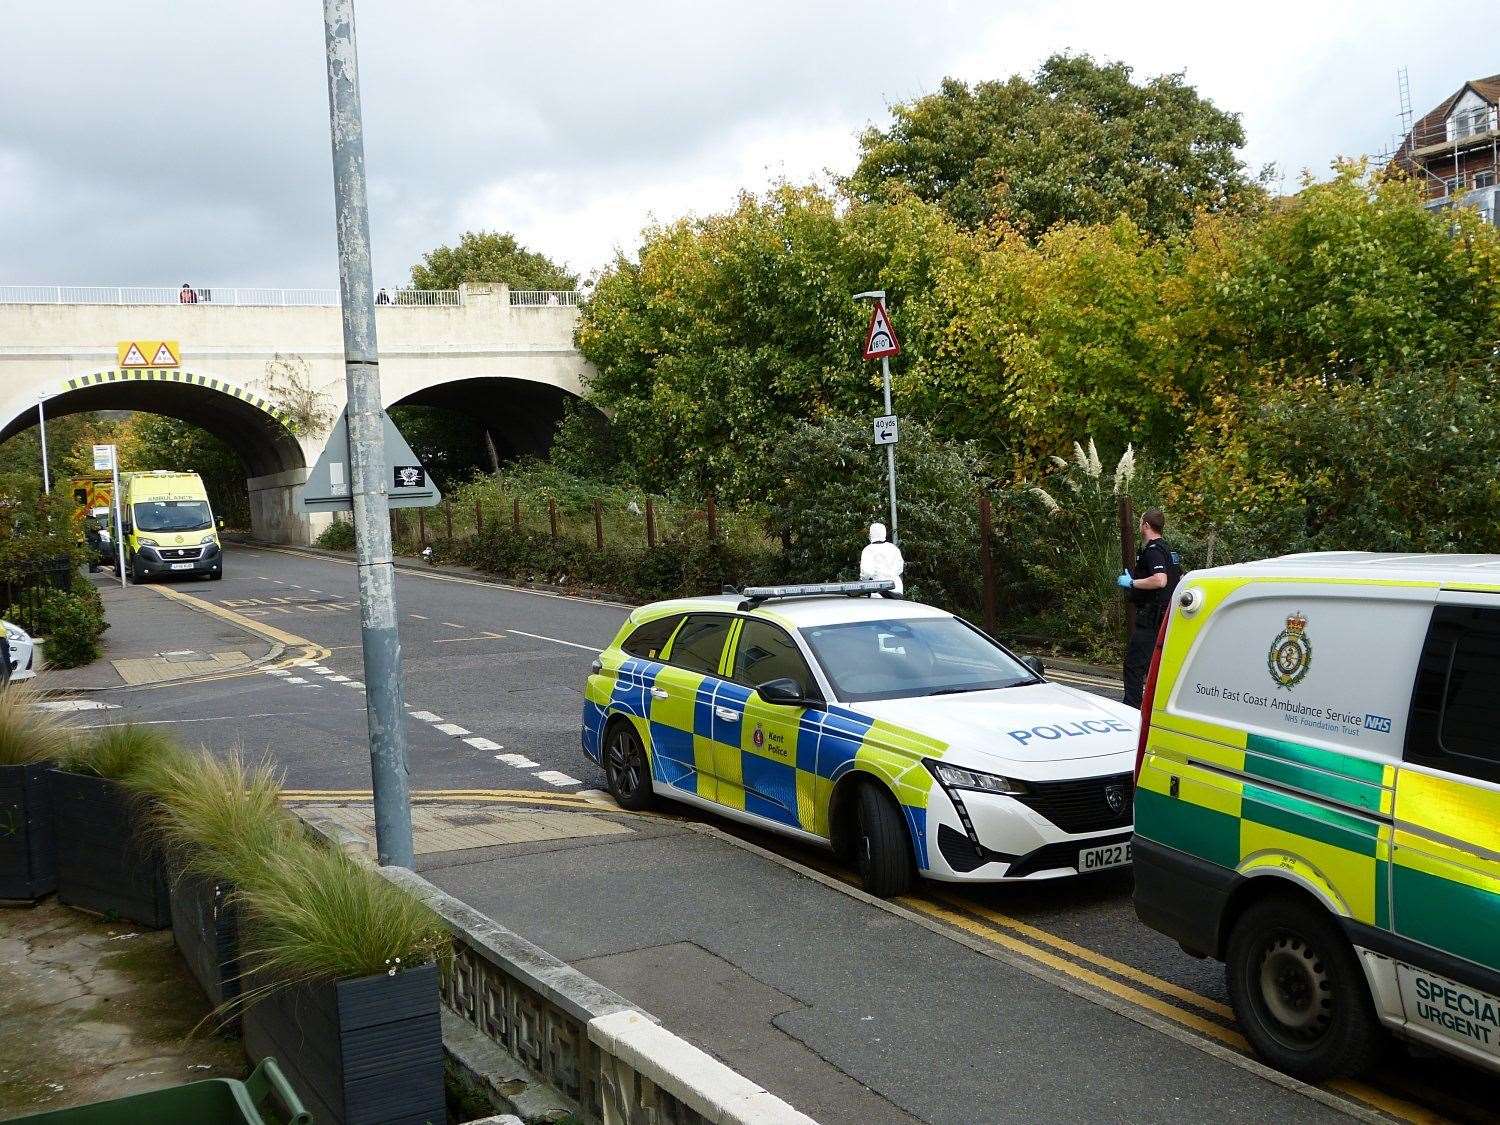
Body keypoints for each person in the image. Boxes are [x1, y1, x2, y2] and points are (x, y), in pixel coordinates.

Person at [1118, 507, 1172, 707]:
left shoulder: (1153, 550)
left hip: (1151, 616)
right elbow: (1178, 578)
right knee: (1157, 666)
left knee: (1133, 665)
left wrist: (1131, 583)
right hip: (1166, 616)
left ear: (1146, 525)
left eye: (1141, 522)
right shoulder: (1169, 550)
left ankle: (1131, 708)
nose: (1140, 526)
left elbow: (1160, 580)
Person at [860, 521, 904, 595]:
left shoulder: (868, 550)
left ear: (871, 535)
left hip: (879, 591)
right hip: (896, 589)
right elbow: (900, 568)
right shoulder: (893, 548)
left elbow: (867, 573)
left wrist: (863, 582)